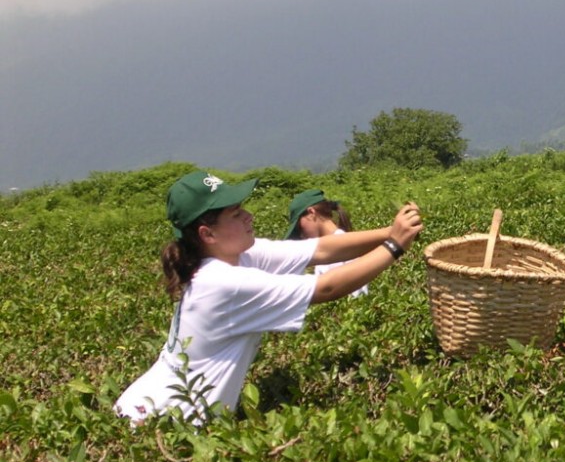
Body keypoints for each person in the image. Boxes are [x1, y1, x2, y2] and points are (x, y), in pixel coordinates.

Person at [114, 170, 422, 423]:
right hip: (158, 421)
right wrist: (394, 247)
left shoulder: (240, 255)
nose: (248, 216)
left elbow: (324, 250)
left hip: (157, 412)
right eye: (236, 214)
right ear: (208, 234)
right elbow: (325, 288)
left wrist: (391, 231)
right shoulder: (221, 282)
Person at [285, 189, 369, 297]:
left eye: (299, 227)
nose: (301, 235)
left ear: (311, 213)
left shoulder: (336, 248)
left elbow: (350, 297)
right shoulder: (340, 242)